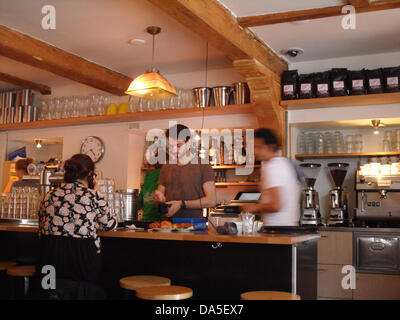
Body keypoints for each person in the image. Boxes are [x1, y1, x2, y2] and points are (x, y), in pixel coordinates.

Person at [37, 153, 117, 299]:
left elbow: (41, 223)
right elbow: (110, 225)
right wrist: (96, 192)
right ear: (91, 174)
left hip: (50, 260)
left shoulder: (49, 195)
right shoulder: (93, 196)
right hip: (83, 262)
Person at [154, 124, 217, 219]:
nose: (174, 150)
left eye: (178, 145)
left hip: (193, 227)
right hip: (167, 227)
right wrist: (159, 199)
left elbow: (212, 200)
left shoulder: (203, 165)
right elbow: (159, 201)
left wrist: (181, 204)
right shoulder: (166, 167)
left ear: (189, 142)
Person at [242, 128, 300, 226]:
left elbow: (276, 205)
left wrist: (253, 207)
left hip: (277, 230)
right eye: (254, 147)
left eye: (259, 147)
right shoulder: (284, 163)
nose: (255, 151)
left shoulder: (273, 167)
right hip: (288, 228)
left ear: (271, 147)